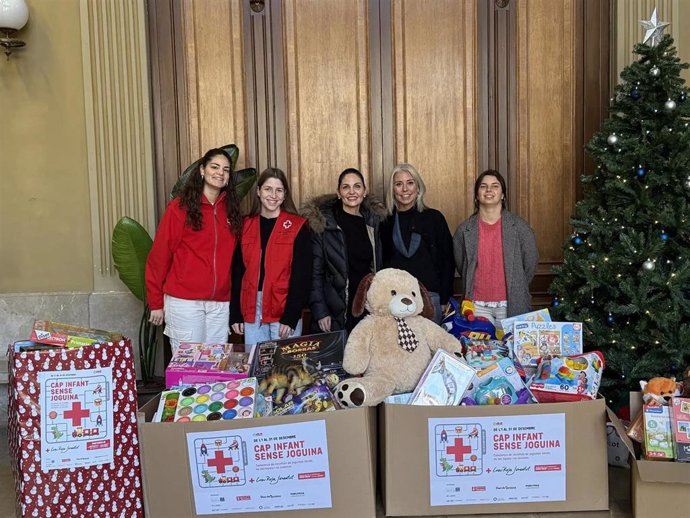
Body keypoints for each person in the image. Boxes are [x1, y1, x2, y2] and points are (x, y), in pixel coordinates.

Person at [145, 148, 243, 353]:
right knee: (187, 367)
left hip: (219, 305)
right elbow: (159, 256)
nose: (220, 173)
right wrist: (155, 302)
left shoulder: (231, 210)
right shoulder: (180, 208)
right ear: (201, 170)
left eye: (225, 169)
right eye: (214, 167)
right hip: (185, 303)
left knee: (215, 366)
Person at [230, 168, 312, 345]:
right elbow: (238, 272)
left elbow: (302, 276)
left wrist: (291, 316)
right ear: (258, 192)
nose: (273, 195)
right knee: (255, 364)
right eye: (268, 189)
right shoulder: (245, 225)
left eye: (279, 190)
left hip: (283, 309)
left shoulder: (298, 226)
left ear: (284, 195)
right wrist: (235, 312)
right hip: (251, 308)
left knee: (285, 368)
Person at [302, 168, 386, 334]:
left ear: (364, 191)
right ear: (338, 193)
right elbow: (314, 273)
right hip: (335, 311)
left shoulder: (373, 223)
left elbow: (379, 268)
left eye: (357, 186)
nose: (352, 192)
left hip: (367, 308)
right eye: (346, 187)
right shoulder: (324, 225)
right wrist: (321, 312)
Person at [453, 169, 538, 324]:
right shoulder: (465, 229)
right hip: (476, 306)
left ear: (503, 194)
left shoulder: (520, 228)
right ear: (477, 195)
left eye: (495, 186)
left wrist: (516, 284)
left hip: (511, 304)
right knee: (479, 348)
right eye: (483, 186)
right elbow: (462, 263)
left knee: (511, 348)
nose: (489, 190)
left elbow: (530, 264)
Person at [380, 163, 455, 324]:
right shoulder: (385, 222)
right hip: (396, 300)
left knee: (430, 348)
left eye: (410, 183)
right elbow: (381, 263)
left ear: (418, 187)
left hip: (430, 298)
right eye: (399, 184)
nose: (405, 189)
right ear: (392, 190)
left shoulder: (434, 218)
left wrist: (444, 299)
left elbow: (447, 260)